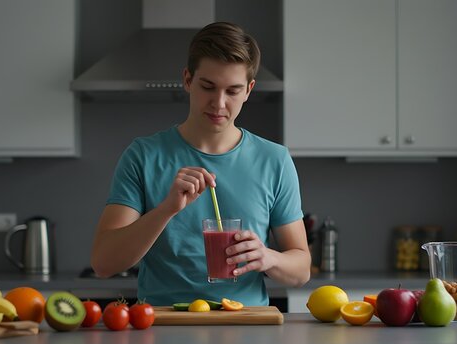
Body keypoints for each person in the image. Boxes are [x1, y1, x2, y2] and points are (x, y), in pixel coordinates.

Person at [91, 22, 310, 306]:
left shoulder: (275, 160)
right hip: (162, 327)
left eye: (233, 91)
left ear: (249, 90)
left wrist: (267, 257)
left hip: (246, 329)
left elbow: (302, 270)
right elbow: (104, 263)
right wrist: (166, 210)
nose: (219, 103)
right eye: (208, 86)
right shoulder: (143, 156)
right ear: (187, 80)